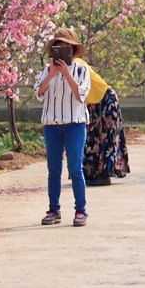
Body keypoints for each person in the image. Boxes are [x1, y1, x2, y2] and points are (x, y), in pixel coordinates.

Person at [35, 28, 91, 227]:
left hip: (75, 124)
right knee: (53, 169)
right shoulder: (46, 69)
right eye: (59, 47)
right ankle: (54, 209)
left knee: (75, 168)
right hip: (52, 125)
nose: (63, 51)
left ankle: (81, 210)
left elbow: (80, 94)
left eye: (67, 48)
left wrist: (66, 73)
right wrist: (52, 74)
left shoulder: (82, 70)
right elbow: (39, 93)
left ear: (73, 50)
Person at [76, 57, 130, 186]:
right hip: (92, 103)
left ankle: (103, 175)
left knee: (106, 138)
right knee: (90, 138)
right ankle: (90, 173)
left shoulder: (77, 64)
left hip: (106, 99)